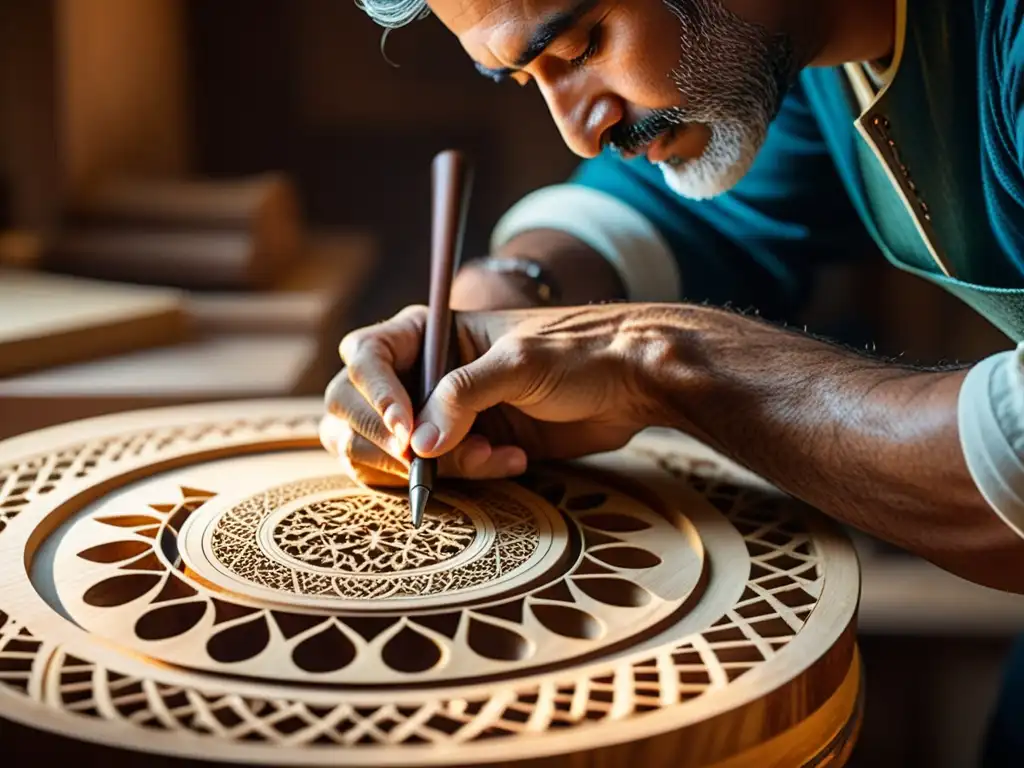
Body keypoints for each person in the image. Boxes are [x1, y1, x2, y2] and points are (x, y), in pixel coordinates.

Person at [322, 0, 1024, 762]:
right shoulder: (819, 42)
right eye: (528, 79)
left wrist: (656, 362)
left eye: (585, 43)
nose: (580, 131)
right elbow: (698, 218)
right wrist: (513, 297)